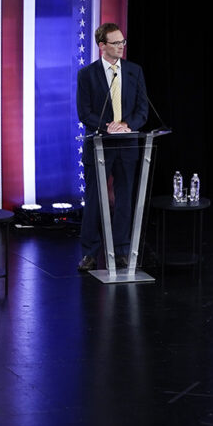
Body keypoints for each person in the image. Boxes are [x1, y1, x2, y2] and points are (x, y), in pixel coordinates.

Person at [76, 23, 149, 272]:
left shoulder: (133, 71)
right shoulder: (87, 74)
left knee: (124, 198)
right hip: (99, 144)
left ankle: (120, 251)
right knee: (95, 199)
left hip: (127, 144)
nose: (121, 47)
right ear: (102, 46)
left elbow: (142, 109)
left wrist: (126, 125)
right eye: (116, 43)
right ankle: (89, 253)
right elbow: (84, 112)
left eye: (122, 42)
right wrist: (108, 127)